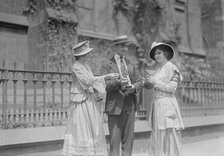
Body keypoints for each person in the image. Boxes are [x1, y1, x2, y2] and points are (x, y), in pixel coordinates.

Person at [63, 40, 119, 156]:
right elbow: (88, 81)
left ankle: (92, 152)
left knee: (92, 127)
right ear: (81, 55)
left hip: (89, 99)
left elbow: (92, 81)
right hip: (81, 101)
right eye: (87, 53)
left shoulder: (86, 66)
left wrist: (97, 91)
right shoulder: (76, 67)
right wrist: (107, 76)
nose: (89, 55)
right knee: (82, 127)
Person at [100, 35, 142, 156]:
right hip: (115, 106)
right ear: (115, 47)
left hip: (130, 104)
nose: (125, 48)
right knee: (114, 139)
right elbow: (104, 84)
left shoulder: (130, 63)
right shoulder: (107, 64)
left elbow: (138, 80)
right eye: (123, 46)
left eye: (126, 46)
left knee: (128, 139)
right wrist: (118, 83)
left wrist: (133, 87)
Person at [144, 41, 184, 156]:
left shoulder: (172, 68)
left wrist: (154, 82)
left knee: (168, 133)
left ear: (166, 53)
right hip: (157, 105)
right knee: (158, 134)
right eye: (155, 54)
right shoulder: (158, 70)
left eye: (159, 53)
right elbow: (153, 84)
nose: (157, 56)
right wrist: (147, 82)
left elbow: (172, 88)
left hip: (167, 104)